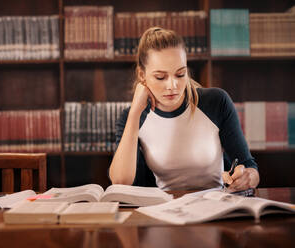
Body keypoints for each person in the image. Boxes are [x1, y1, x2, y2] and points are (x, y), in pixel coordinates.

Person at [109, 27, 260, 192]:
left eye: (180, 74)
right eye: (160, 77)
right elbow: (120, 181)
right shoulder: (133, 116)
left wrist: (247, 177)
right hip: (165, 209)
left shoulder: (216, 102)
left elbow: (250, 168)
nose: (172, 86)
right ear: (142, 75)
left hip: (215, 205)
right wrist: (135, 113)